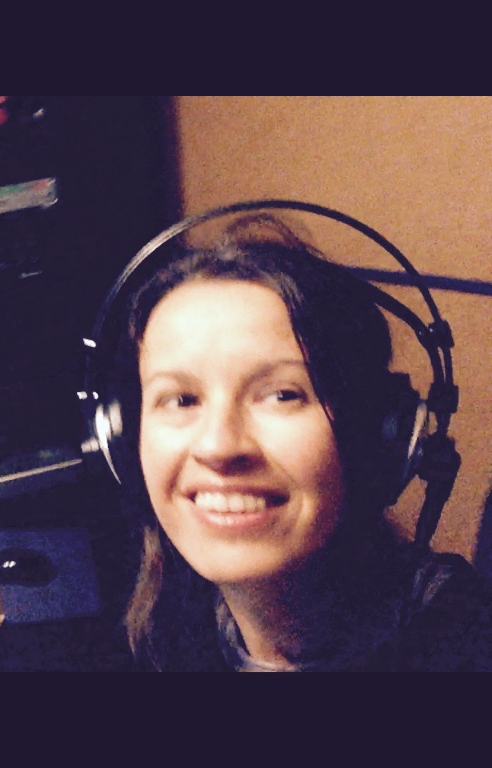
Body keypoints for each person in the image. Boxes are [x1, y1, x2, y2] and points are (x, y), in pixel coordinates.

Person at [115, 213, 492, 671]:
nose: (218, 447)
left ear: (378, 436)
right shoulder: (165, 630)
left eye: (282, 395)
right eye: (181, 399)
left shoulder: (463, 645)